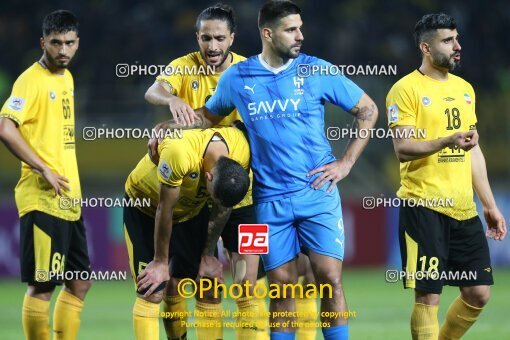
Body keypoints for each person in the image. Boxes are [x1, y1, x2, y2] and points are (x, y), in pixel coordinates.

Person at [155, 1, 379, 339]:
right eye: (292, 30)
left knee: (329, 278)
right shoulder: (238, 78)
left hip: (316, 192)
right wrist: (170, 125)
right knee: (282, 288)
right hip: (269, 199)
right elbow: (207, 117)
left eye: (300, 28)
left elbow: (368, 109)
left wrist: (345, 163)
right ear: (268, 33)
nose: (300, 36)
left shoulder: (315, 71)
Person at [144, 4, 271, 339]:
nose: (212, 46)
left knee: (248, 285)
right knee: (195, 280)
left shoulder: (250, 72)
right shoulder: (183, 67)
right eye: (205, 38)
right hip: (200, 193)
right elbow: (153, 90)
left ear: (232, 37)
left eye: (219, 38)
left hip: (245, 193)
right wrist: (171, 102)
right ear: (196, 37)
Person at [385, 13, 507, 340]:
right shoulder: (405, 90)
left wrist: (490, 205)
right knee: (429, 296)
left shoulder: (465, 90)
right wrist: (445, 140)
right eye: (448, 40)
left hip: (463, 210)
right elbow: (403, 148)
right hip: (422, 207)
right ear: (426, 47)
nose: (458, 46)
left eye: (457, 38)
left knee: (478, 293)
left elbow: (473, 151)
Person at [0, 10, 91, 340]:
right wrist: (43, 168)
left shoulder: (66, 79)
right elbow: (6, 128)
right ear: (43, 42)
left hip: (69, 199)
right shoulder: (30, 80)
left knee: (80, 282)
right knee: (42, 284)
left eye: (69, 43)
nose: (63, 50)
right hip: (42, 197)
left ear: (77, 43)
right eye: (56, 43)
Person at [124, 127, 251, 340]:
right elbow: (165, 209)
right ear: (208, 176)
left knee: (209, 285)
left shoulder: (240, 151)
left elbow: (223, 208)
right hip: (146, 206)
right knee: (152, 289)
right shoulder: (179, 153)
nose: (217, 204)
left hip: (191, 211)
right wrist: (160, 262)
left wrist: (208, 254)